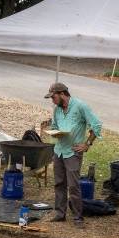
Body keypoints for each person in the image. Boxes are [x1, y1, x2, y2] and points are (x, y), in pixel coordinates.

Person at [46, 83, 102, 225]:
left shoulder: (80, 106)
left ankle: (78, 216)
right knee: (59, 183)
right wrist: (55, 132)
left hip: (72, 152)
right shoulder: (57, 110)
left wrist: (87, 144)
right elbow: (54, 126)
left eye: (53, 97)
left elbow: (96, 125)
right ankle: (60, 213)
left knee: (73, 185)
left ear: (62, 94)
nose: (52, 100)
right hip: (59, 151)